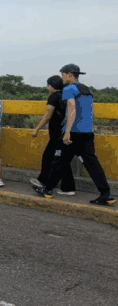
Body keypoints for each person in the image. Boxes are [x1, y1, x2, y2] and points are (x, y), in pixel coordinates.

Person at [35, 64, 115, 205]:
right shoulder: (87, 90)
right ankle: (106, 194)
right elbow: (92, 112)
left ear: (70, 74)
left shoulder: (69, 89)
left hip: (73, 132)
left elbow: (72, 110)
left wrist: (67, 132)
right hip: (87, 132)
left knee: (58, 160)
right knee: (91, 164)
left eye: (63, 75)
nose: (62, 78)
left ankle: (47, 190)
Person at [30, 76, 75, 195]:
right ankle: (67, 187)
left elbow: (47, 116)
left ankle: (43, 181)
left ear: (50, 86)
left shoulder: (53, 97)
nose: (47, 87)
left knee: (49, 157)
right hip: (66, 132)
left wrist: (36, 129)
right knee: (62, 160)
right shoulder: (66, 95)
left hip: (57, 134)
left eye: (48, 85)